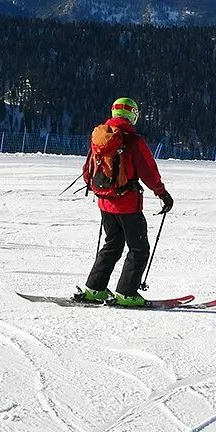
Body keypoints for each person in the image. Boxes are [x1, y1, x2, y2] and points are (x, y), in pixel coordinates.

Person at [80, 97, 174, 306]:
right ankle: (126, 293)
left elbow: (88, 172)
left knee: (112, 244)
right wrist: (162, 194)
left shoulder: (99, 137)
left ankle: (94, 289)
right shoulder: (133, 141)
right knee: (139, 248)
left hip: (104, 202)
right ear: (133, 115)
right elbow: (149, 172)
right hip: (128, 204)